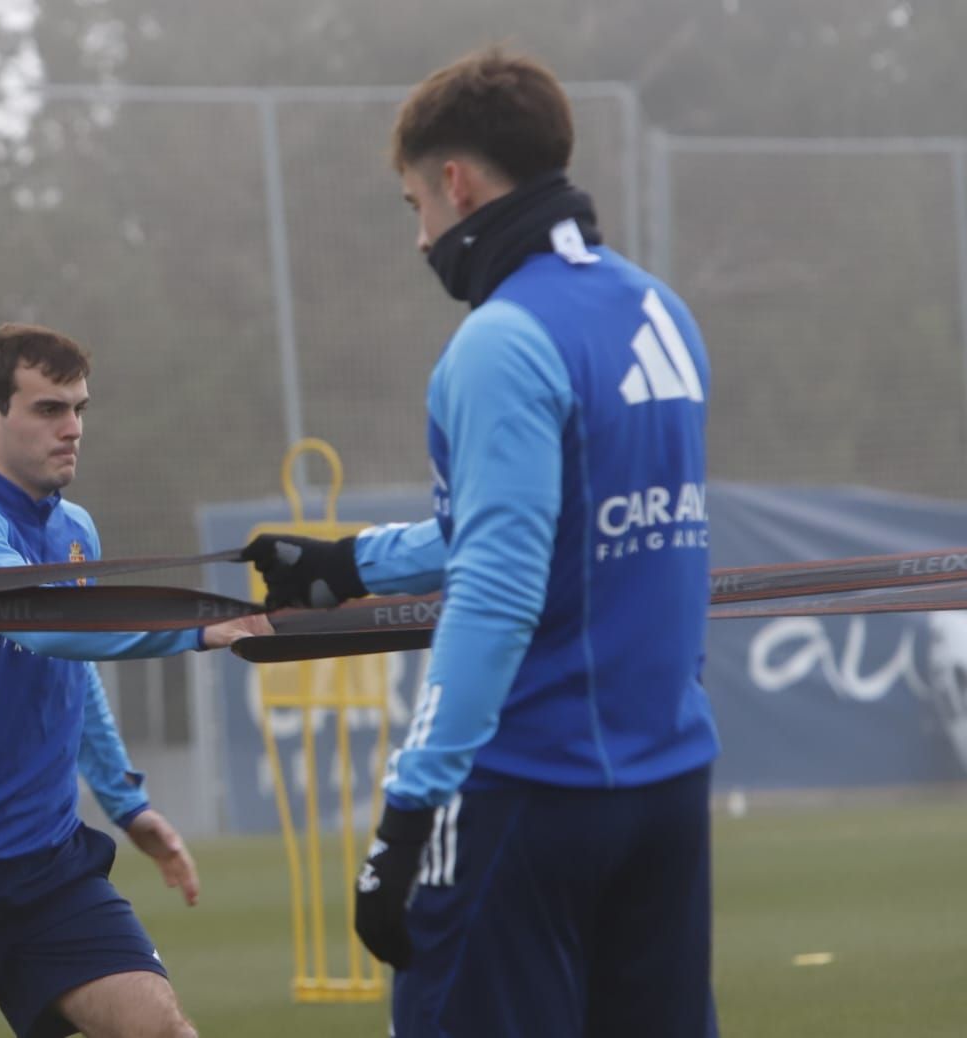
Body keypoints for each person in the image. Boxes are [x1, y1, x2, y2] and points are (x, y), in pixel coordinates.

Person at [244, 47, 720, 1037]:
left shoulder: (501, 341)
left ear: (454, 183)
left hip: (528, 794)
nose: (421, 237)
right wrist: (346, 566)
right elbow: (553, 531)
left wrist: (407, 813)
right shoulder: (657, 309)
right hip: (666, 785)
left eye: (414, 203)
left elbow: (498, 592)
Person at [0, 322, 265, 1038]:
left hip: (46, 872)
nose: (72, 429)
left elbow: (72, 662)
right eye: (49, 409)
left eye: (79, 409)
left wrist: (127, 805)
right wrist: (194, 626)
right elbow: (43, 621)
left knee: (161, 1030)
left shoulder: (75, 530)